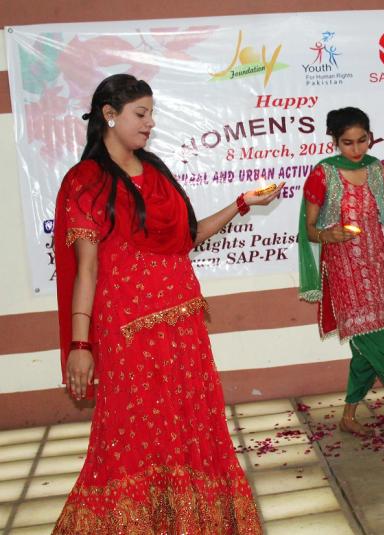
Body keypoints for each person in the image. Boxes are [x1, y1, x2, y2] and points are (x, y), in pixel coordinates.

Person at [53, 74, 277, 532]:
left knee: (191, 428)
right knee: (130, 437)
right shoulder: (85, 180)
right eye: (141, 113)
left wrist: (242, 203)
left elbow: (186, 238)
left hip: (183, 325)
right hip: (128, 331)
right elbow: (87, 270)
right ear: (109, 115)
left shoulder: (154, 171)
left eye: (151, 113)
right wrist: (81, 343)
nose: (150, 123)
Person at [297, 107, 384, 438]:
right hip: (344, 271)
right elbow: (310, 230)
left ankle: (347, 416)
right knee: (380, 343)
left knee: (367, 345)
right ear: (334, 142)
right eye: (347, 143)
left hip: (376, 265)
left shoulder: (378, 169)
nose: (356, 149)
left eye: (362, 141)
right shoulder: (323, 174)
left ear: (370, 138)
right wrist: (329, 235)